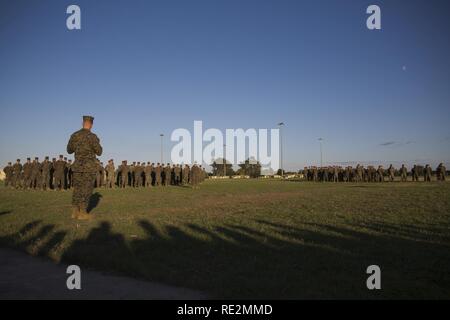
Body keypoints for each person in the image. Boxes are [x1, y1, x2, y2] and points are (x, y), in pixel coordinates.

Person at [67, 115, 103, 220]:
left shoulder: (75, 135)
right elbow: (99, 152)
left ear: (82, 123)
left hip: (77, 166)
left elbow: (69, 150)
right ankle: (82, 212)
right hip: (88, 167)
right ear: (91, 125)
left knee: (77, 188)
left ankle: (74, 212)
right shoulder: (93, 137)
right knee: (86, 189)